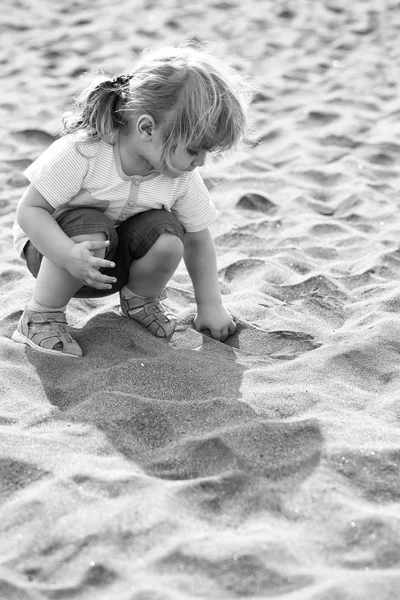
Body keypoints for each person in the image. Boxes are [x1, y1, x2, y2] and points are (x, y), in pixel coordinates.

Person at [12, 43, 251, 358]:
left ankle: (140, 301)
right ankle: (40, 317)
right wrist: (68, 254)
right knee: (92, 228)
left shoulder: (178, 175)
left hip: (114, 263)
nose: (202, 162)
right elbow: (29, 212)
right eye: (194, 149)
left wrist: (210, 305)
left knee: (168, 233)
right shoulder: (84, 151)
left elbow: (198, 240)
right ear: (148, 128)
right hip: (54, 256)